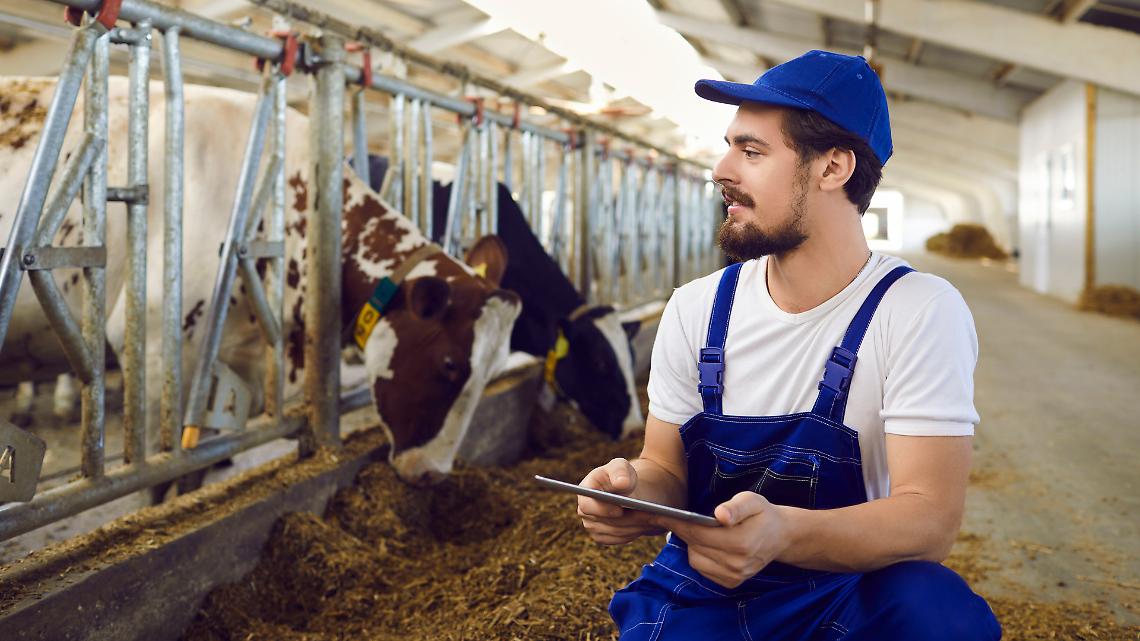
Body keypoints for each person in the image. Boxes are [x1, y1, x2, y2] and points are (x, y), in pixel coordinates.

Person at [576, 50, 1002, 640]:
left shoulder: (916, 310)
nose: (722, 169)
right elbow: (666, 469)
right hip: (708, 589)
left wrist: (784, 533)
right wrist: (632, 493)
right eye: (728, 147)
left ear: (833, 167)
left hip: (849, 587)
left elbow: (929, 520)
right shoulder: (697, 309)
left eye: (751, 152)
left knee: (935, 613)